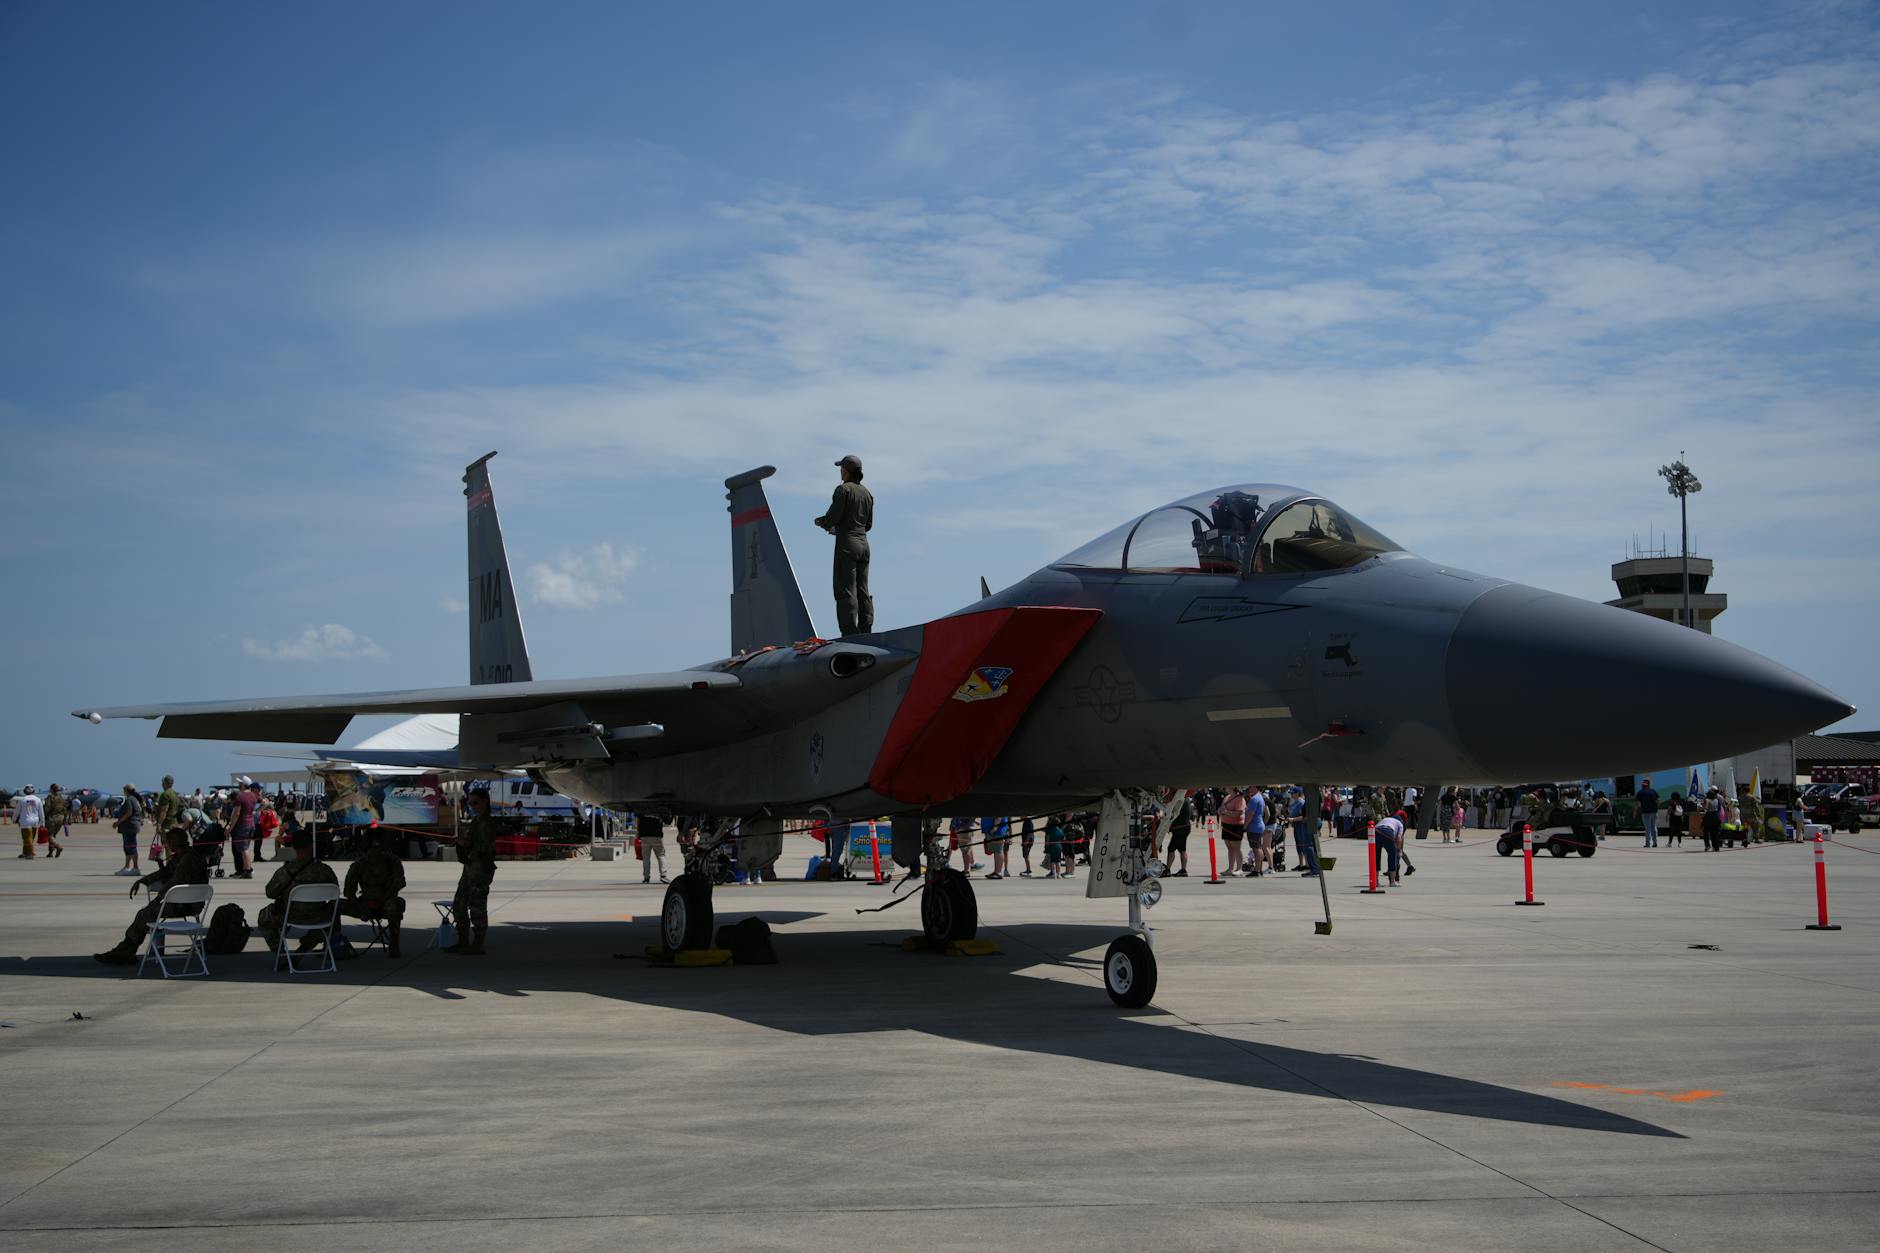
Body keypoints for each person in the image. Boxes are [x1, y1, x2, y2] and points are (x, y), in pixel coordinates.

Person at [93, 828, 210, 964]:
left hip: (185, 905)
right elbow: (165, 873)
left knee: (144, 914)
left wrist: (156, 900)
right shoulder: (184, 856)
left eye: (168, 842)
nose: (166, 845)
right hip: (186, 903)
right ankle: (125, 949)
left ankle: (126, 950)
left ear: (173, 842)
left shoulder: (188, 859)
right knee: (146, 913)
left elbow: (174, 882)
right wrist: (142, 880)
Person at [813, 453, 874, 635]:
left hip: (847, 545)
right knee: (863, 589)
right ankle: (866, 628)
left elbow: (833, 517)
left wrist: (822, 522)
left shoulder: (843, 490)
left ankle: (849, 631)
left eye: (841, 468)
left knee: (846, 589)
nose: (840, 471)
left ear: (846, 471)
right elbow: (868, 525)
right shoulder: (867, 494)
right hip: (864, 545)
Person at [258, 831, 340, 950]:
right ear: (311, 846)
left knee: (264, 916)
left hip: (291, 916)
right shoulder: (324, 870)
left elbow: (270, 893)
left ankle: (280, 951)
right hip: (319, 916)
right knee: (334, 913)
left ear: (293, 847)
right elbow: (335, 892)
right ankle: (305, 948)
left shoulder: (285, 871)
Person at [341, 832, 407, 957]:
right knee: (335, 906)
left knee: (396, 905)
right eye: (373, 849)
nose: (376, 853)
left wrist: (381, 900)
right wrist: (361, 904)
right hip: (365, 904)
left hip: (386, 903)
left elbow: (399, 883)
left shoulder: (392, 862)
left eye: (378, 849)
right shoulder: (359, 864)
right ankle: (334, 943)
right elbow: (349, 891)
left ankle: (394, 944)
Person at [451, 789, 500, 955]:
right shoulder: (475, 822)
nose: (472, 806)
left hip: (481, 871)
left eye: (475, 803)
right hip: (470, 869)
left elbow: (487, 848)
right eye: (470, 803)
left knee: (477, 907)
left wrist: (467, 844)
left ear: (485, 802)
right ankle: (462, 940)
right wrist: (462, 843)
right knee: (459, 904)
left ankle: (478, 943)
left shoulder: (488, 823)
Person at [224, 780, 260, 878]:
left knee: (243, 849)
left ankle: (247, 871)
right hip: (251, 824)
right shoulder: (253, 795)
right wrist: (256, 811)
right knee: (245, 848)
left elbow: (236, 814)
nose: (238, 785)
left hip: (242, 826)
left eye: (240, 783)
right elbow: (265, 802)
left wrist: (230, 828)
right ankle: (246, 869)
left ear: (244, 785)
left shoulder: (240, 797)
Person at [113, 785, 144, 875]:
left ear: (127, 790)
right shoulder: (135, 799)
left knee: (131, 847)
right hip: (130, 827)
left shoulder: (130, 800)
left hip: (129, 827)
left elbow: (128, 813)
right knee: (128, 848)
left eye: (124, 789)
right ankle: (127, 867)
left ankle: (135, 868)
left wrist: (118, 822)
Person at [1289, 788, 1320, 877]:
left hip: (1308, 825)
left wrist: (1294, 819)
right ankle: (1313, 868)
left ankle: (1314, 869)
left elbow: (1307, 816)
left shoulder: (1306, 803)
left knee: (1309, 847)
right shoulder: (1309, 802)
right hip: (1308, 825)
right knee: (1309, 847)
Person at [1219, 787, 1248, 876]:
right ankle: (1230, 869)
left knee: (1236, 848)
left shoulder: (1240, 798)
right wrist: (1220, 811)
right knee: (1229, 847)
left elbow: (1238, 813)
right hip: (1226, 825)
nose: (1225, 787)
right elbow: (1222, 809)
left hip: (1236, 826)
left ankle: (1239, 869)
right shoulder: (1227, 797)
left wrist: (1226, 812)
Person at [1164, 790, 1192, 877]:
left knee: (1171, 848)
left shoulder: (1179, 800)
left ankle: (1168, 870)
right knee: (1182, 849)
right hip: (1185, 827)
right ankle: (1183, 870)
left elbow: (1173, 814)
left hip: (1179, 829)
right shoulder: (1186, 799)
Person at [1243, 786, 1269, 877]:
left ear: (1255, 787)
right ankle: (1259, 869)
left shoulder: (1254, 799)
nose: (1249, 788)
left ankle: (1257, 870)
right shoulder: (1260, 797)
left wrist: (1245, 826)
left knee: (1256, 849)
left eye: (1251, 787)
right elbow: (1267, 814)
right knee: (1259, 848)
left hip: (1254, 827)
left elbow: (1250, 814)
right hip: (1259, 826)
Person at [1373, 812, 1404, 885]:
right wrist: (1398, 850)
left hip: (1376, 832)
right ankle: (1392, 882)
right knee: (1392, 856)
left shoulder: (1385, 819)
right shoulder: (1400, 824)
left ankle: (1376, 881)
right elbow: (1399, 838)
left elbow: (1375, 828)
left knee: (1376, 857)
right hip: (1388, 832)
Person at [637, 810, 669, 883]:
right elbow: (667, 820)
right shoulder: (660, 807)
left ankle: (646, 877)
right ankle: (663, 875)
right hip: (656, 835)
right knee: (661, 855)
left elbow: (638, 819)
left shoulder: (642, 807)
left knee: (646, 858)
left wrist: (638, 832)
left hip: (644, 834)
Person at [13, 785, 42, 858]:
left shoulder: (22, 799)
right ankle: (25, 852)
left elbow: (17, 811)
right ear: (33, 791)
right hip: (35, 821)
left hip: (26, 821)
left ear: (24, 791)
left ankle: (31, 853)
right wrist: (42, 822)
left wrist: (14, 819)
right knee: (30, 838)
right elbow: (41, 812)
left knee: (27, 838)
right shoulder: (38, 799)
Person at [42, 784, 69, 857]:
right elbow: (65, 809)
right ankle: (50, 852)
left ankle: (58, 847)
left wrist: (43, 817)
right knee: (53, 835)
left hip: (52, 818)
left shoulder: (50, 797)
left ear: (51, 789)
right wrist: (65, 819)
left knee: (49, 836)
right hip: (61, 818)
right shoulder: (61, 798)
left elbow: (47, 808)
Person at [982, 815, 1010, 879]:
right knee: (996, 851)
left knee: (998, 851)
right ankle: (996, 871)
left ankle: (998, 872)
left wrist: (994, 829)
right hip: (995, 831)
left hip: (997, 832)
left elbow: (998, 816)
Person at [1637, 777, 1661, 848]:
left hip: (1645, 812)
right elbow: (1658, 801)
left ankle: (1647, 844)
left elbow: (1638, 803)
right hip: (1654, 812)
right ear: (1648, 785)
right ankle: (1655, 843)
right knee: (1653, 827)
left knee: (1647, 828)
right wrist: (1657, 808)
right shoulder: (1653, 791)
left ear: (1643, 785)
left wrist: (1640, 808)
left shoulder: (1640, 792)